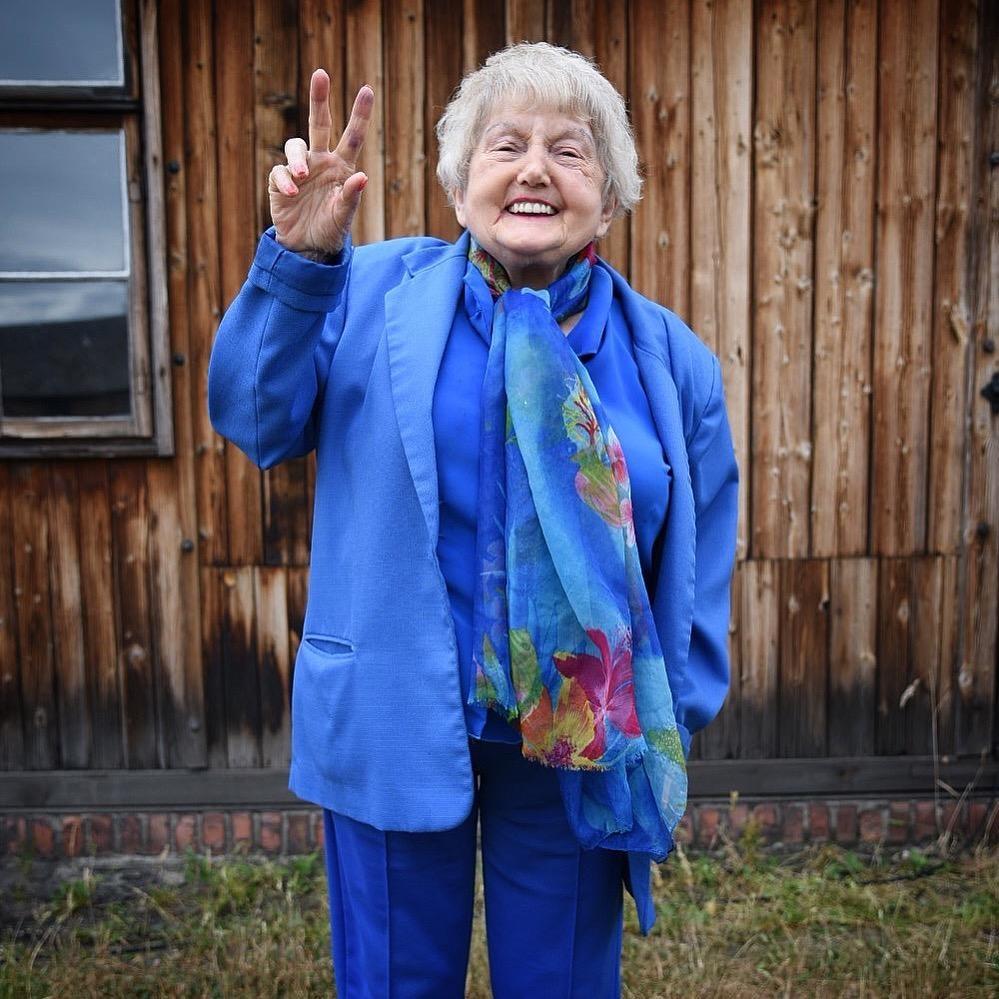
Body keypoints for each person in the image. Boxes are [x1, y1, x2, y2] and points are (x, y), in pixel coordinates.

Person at [209, 41, 738, 999]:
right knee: (394, 982)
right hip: (395, 713)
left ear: (607, 200)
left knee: (564, 982)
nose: (535, 168)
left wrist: (664, 715)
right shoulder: (364, 291)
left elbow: (700, 553)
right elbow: (255, 418)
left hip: (577, 735)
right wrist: (296, 261)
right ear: (459, 189)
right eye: (506, 144)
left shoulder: (670, 360)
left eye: (570, 152)